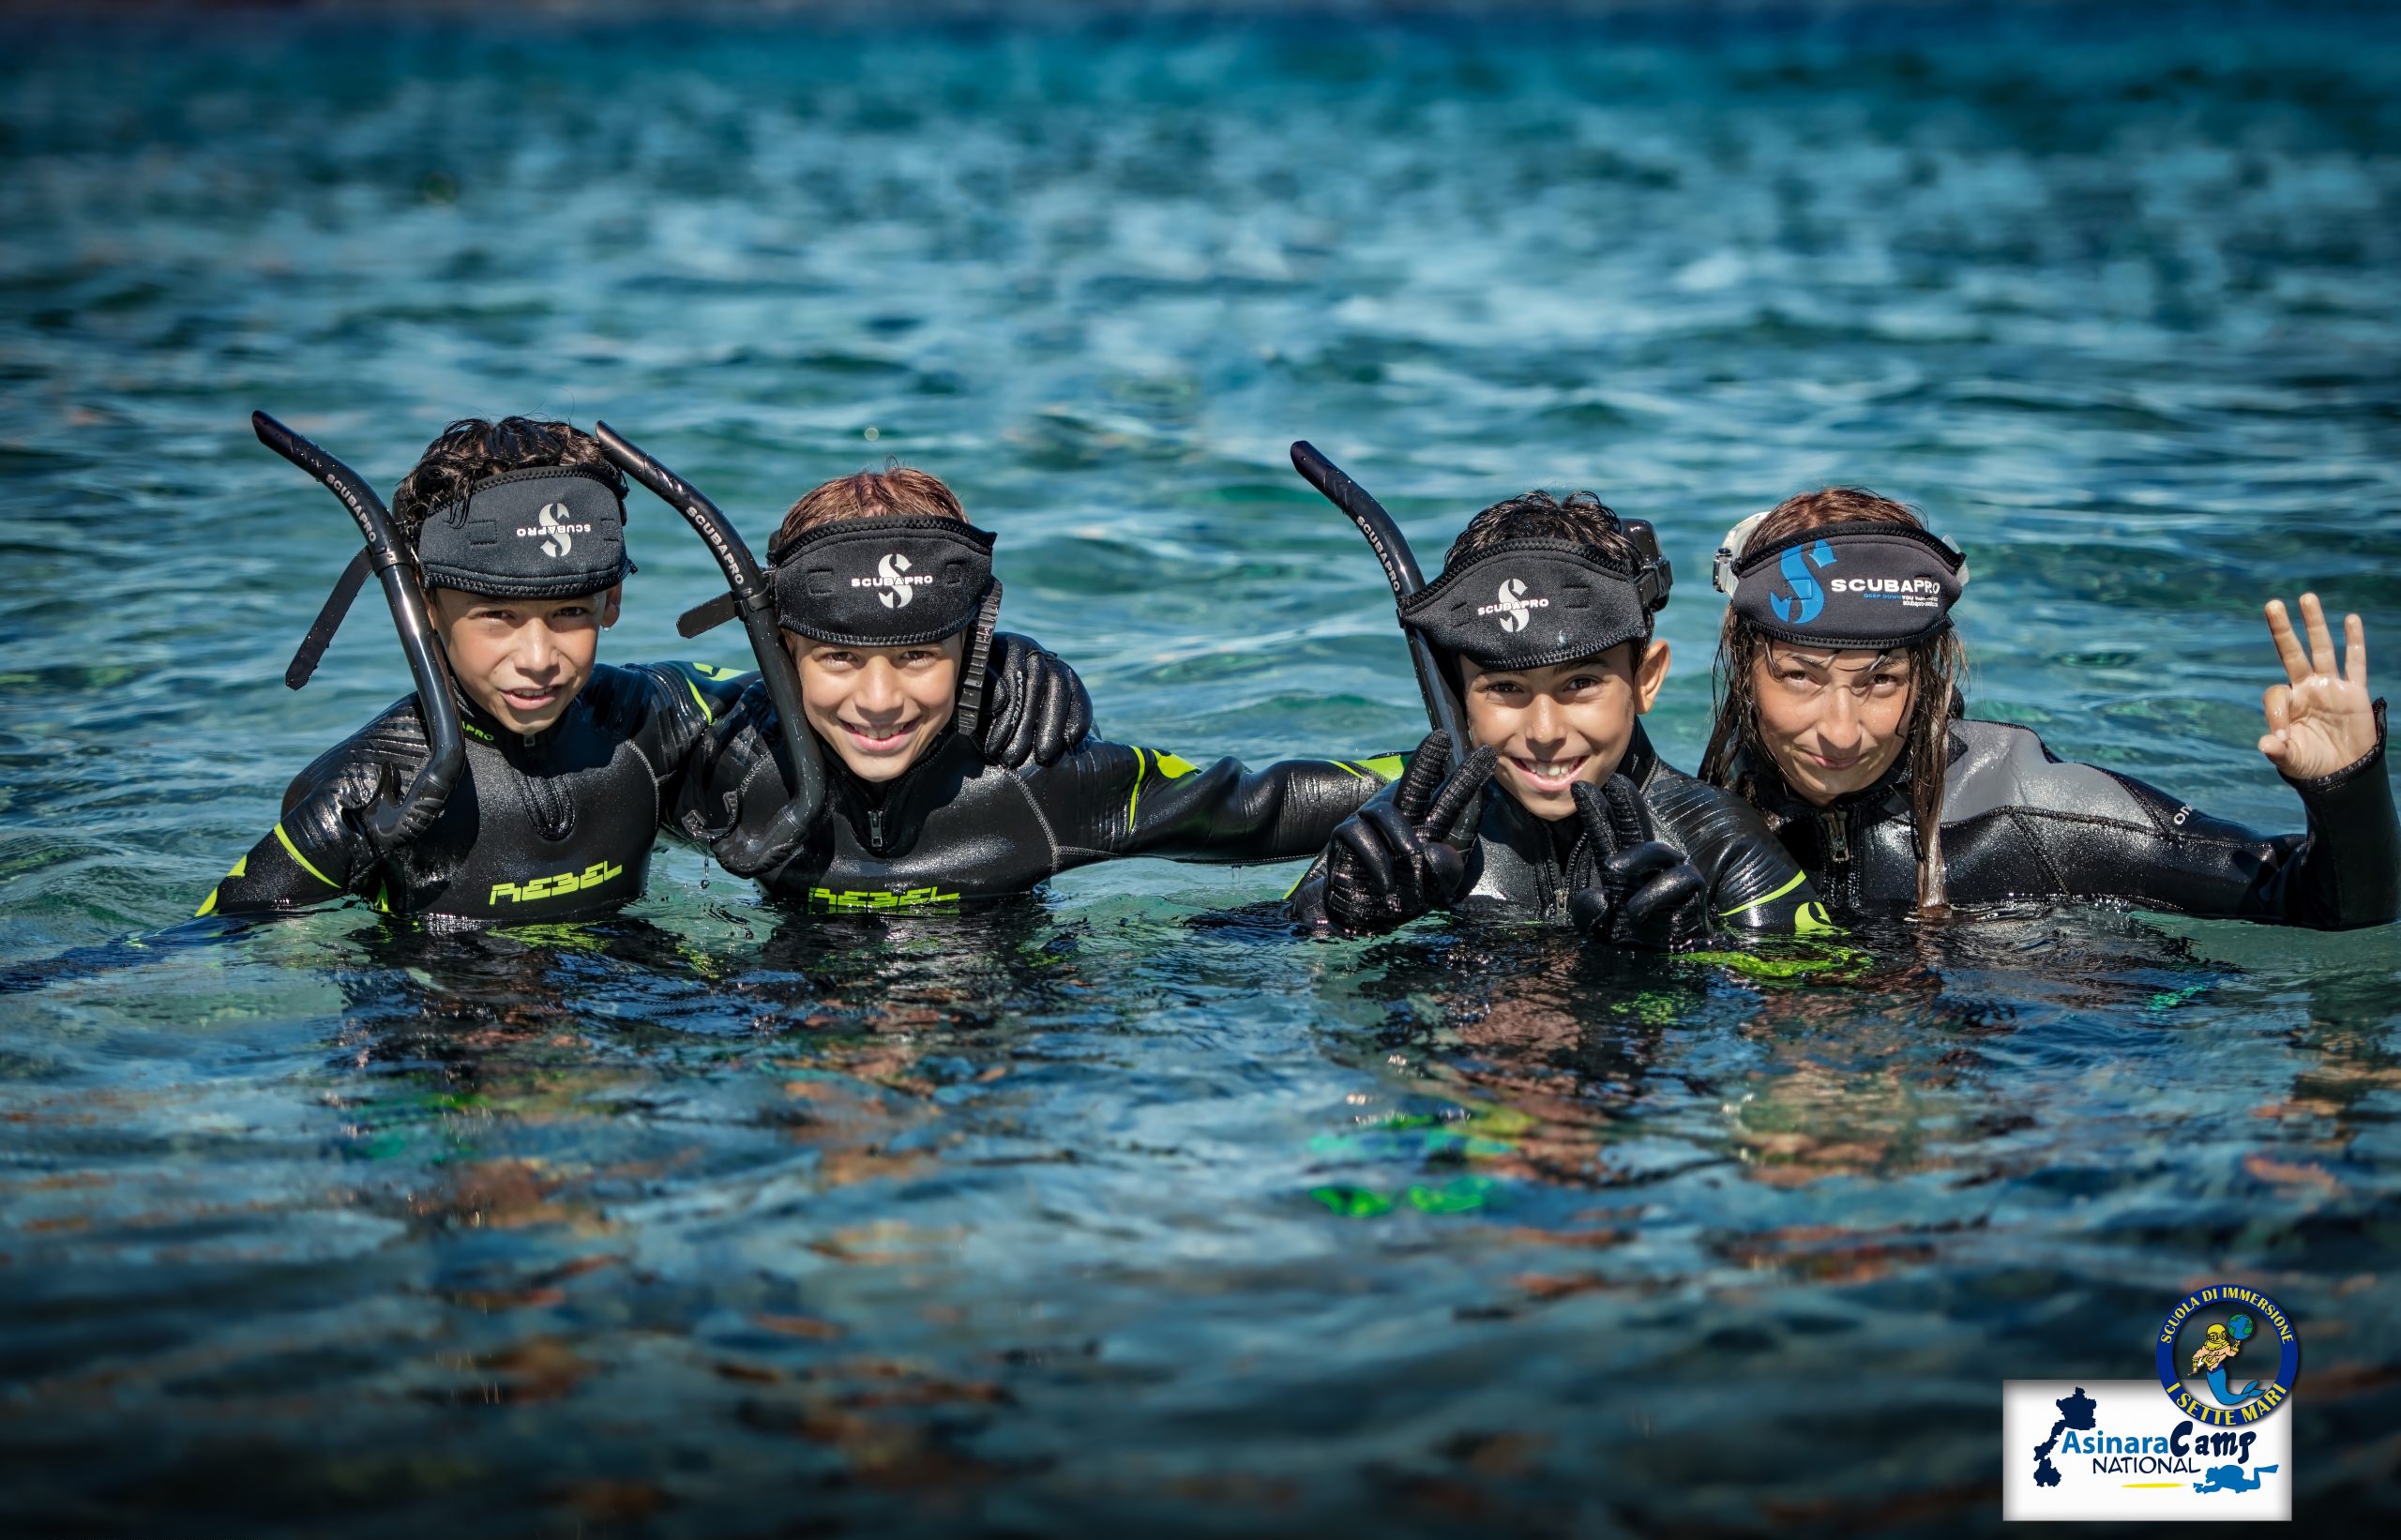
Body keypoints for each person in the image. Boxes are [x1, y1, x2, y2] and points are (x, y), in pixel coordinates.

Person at [201, 420, 1090, 926]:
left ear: (611, 609)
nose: (539, 657)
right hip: (442, 1049)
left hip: (631, 1028)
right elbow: (214, 940)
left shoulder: (652, 719)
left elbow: (817, 691)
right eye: (498, 618)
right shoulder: (374, 785)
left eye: (570, 616)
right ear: (428, 609)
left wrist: (995, 667)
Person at [681, 465, 1397, 911]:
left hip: (1000, 1062)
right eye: (839, 658)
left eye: (918, 657)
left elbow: (1263, 807)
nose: (878, 700)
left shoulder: (1040, 778)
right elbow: (595, 703)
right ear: (782, 648)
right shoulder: (729, 767)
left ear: (972, 643)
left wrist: (1478, 752)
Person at [1695, 486, 2399, 927]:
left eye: (1880, 681)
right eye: (1800, 677)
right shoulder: (1692, 826)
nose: (1841, 731)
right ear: (1744, 668)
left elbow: (2324, 906)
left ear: (1928, 671)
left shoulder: (2028, 810)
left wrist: (2348, 792)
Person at [1291, 490, 1829, 946]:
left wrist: (1687, 956)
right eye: (1505, 687)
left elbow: (1814, 1010)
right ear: (1459, 697)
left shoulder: (1719, 841)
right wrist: (1339, 916)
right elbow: (1246, 955)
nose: (1544, 732)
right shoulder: (1410, 827)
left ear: (1647, 679)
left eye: (1580, 684)